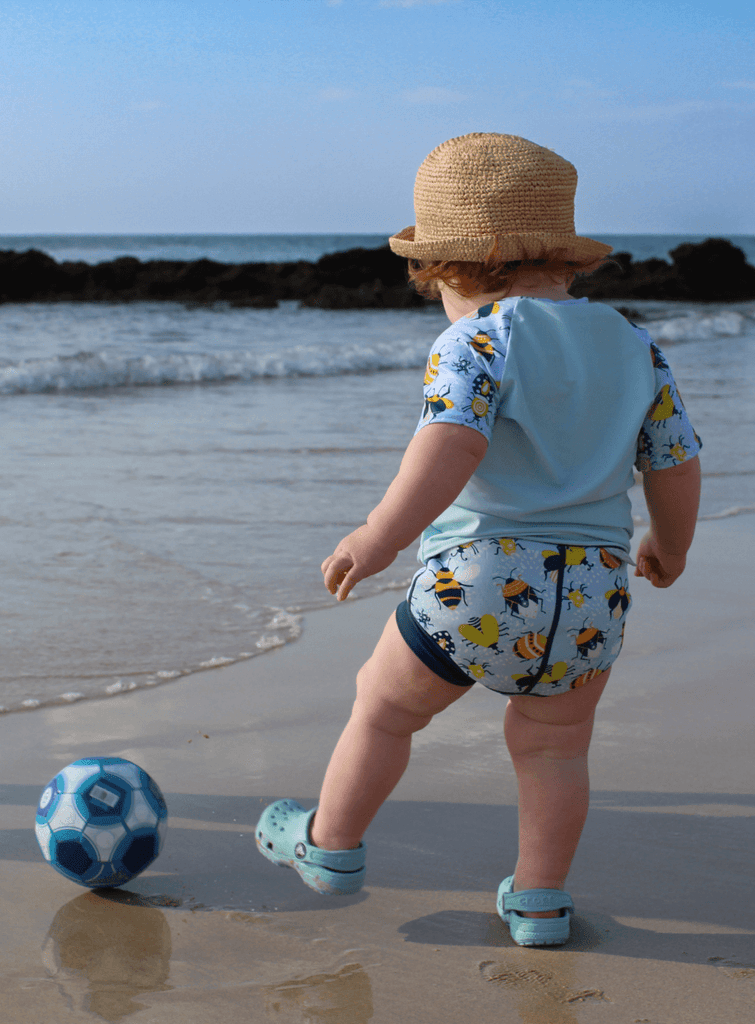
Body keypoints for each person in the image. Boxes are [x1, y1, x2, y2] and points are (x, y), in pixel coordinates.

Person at [255, 133, 701, 947]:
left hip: (480, 585)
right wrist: (671, 547)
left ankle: (330, 846)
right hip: (594, 595)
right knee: (556, 752)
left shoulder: (477, 339)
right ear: (563, 258)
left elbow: (450, 444)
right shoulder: (638, 345)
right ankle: (539, 902)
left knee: (385, 710)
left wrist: (380, 535)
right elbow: (675, 462)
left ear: (454, 270)